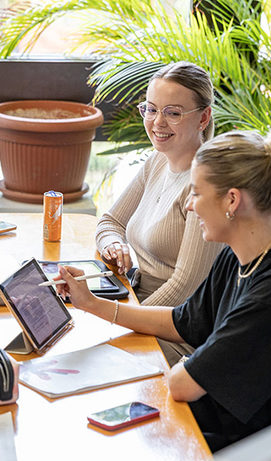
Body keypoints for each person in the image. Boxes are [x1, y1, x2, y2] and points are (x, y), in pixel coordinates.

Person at [57, 129, 271, 452]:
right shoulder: (241, 256)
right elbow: (181, 321)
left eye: (196, 193)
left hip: (258, 454)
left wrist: (182, 364)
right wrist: (92, 303)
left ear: (232, 200)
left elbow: (181, 385)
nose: (189, 206)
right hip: (223, 427)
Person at [96, 61, 223, 308]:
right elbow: (110, 222)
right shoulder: (157, 162)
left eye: (173, 113)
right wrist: (113, 244)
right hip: (136, 302)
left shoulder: (206, 186)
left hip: (173, 326)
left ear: (203, 117)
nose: (157, 123)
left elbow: (185, 288)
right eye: (152, 109)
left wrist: (124, 320)